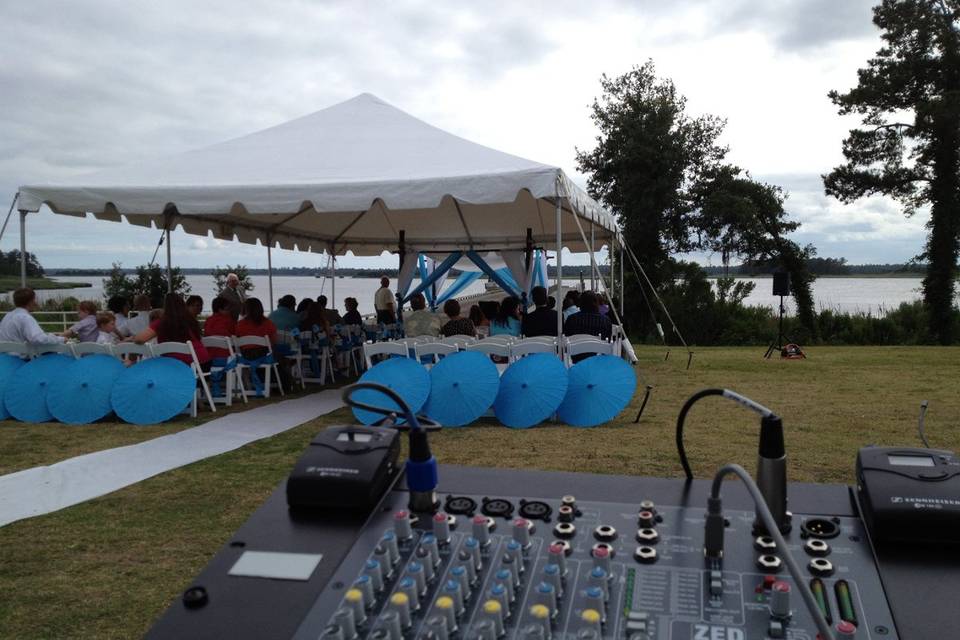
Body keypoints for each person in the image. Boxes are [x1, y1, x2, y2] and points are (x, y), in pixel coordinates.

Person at [130, 293, 211, 370]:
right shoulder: (191, 320)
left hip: (180, 367)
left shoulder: (162, 322)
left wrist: (131, 338)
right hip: (203, 364)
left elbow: (139, 339)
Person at [0, 287, 66, 344]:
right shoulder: (25, 318)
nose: (35, 303)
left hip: (4, 355)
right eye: (34, 299)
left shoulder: (7, 316)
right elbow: (38, 339)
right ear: (30, 302)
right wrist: (61, 339)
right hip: (20, 357)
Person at [563, 291, 613, 358]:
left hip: (576, 361)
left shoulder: (571, 320)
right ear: (597, 303)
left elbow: (566, 341)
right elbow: (607, 343)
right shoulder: (606, 321)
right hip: (598, 360)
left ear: (580, 303)